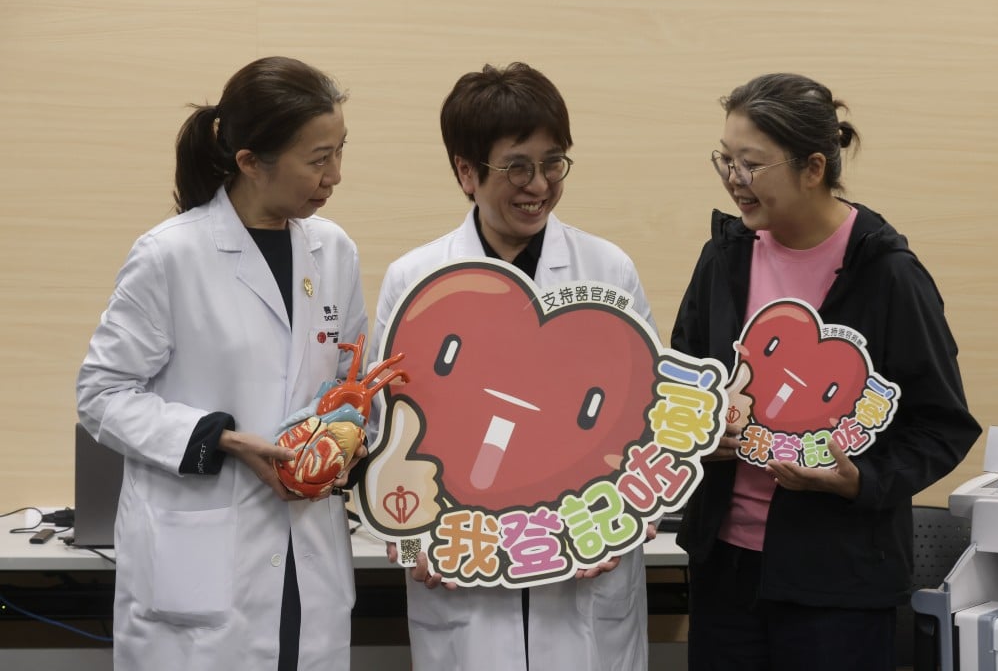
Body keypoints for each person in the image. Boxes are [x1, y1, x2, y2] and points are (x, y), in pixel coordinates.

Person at [670, 72, 981, 671]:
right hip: (725, 570)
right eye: (726, 160)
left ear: (813, 167)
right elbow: (682, 384)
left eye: (752, 164)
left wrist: (859, 480)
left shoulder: (887, 273)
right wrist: (700, 435)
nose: (735, 180)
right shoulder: (725, 257)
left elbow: (943, 425)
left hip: (837, 581)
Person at [76, 56, 369, 671]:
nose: (336, 174)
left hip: (306, 553)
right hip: (203, 560)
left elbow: (350, 379)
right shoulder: (170, 255)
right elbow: (101, 395)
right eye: (318, 159)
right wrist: (221, 439)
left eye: (340, 151)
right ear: (249, 162)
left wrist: (349, 436)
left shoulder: (333, 251)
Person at [369, 62, 653, 671]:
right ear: (466, 172)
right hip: (464, 564)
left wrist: (627, 518)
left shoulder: (607, 271)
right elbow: (387, 428)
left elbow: (644, 423)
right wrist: (412, 531)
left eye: (553, 163)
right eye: (517, 166)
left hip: (583, 564)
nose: (539, 185)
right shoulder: (416, 280)